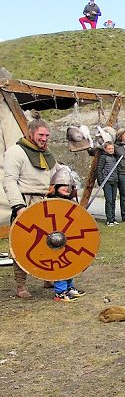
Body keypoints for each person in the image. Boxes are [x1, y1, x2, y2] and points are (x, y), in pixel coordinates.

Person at [3, 119, 62, 299]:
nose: (44, 139)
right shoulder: (16, 152)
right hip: (24, 202)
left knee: (50, 240)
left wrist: (62, 187)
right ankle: (21, 285)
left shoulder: (46, 153)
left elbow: (56, 174)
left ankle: (47, 276)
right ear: (31, 133)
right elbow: (9, 180)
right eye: (40, 135)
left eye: (46, 135)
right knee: (23, 244)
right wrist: (18, 206)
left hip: (44, 202)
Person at [43, 166, 87, 302]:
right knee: (59, 265)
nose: (66, 188)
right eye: (63, 185)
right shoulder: (48, 202)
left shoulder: (71, 203)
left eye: (69, 186)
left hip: (68, 238)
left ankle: (69, 287)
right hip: (53, 240)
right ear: (55, 187)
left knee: (70, 263)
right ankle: (60, 292)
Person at [96, 141, 119, 226]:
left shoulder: (114, 157)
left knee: (113, 200)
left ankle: (113, 218)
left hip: (114, 181)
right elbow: (99, 170)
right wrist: (101, 182)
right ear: (105, 149)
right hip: (107, 182)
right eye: (109, 149)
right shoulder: (103, 157)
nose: (111, 150)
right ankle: (109, 219)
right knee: (109, 200)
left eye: (112, 148)